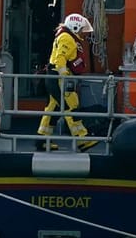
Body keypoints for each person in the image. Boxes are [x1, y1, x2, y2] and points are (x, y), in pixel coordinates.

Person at [38, 12, 95, 150]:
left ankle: (42, 139)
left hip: (54, 77)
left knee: (53, 108)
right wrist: (64, 75)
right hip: (60, 77)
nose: (82, 32)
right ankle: (82, 138)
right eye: (81, 29)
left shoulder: (65, 36)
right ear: (75, 27)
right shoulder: (67, 38)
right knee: (71, 106)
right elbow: (60, 58)